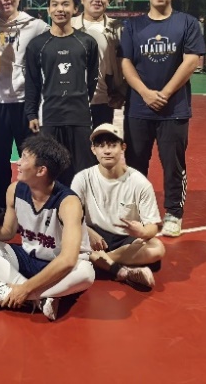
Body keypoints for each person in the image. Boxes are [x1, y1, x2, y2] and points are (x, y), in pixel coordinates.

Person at [0, 134, 94, 321]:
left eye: (25, 158)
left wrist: (25, 289)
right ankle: (40, 297)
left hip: (59, 267)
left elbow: (67, 260)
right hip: (28, 259)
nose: (18, 162)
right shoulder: (14, 190)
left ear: (41, 170)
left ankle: (12, 292)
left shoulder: (69, 203)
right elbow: (7, 232)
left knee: (86, 274)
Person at [120, 0, 205, 237]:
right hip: (138, 108)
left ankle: (173, 213)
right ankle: (138, 210)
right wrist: (145, 93)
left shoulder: (187, 23)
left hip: (174, 108)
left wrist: (165, 93)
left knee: (173, 164)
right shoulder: (132, 26)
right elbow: (126, 63)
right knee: (135, 163)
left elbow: (191, 61)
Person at [71, 123, 165, 289]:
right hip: (94, 237)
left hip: (125, 239)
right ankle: (120, 270)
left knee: (157, 249)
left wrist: (142, 232)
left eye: (112, 145)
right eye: (101, 146)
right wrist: (88, 231)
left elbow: (152, 226)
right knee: (70, 235)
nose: (107, 151)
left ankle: (96, 261)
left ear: (123, 148)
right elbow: (71, 217)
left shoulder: (139, 183)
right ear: (93, 150)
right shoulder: (82, 178)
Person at [0, 0, 49, 219]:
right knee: (0, 159)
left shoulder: (36, 26)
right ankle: (0, 205)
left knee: (31, 159)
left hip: (25, 104)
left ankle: (31, 204)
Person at [25, 0, 99, 187]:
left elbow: (92, 80)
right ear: (48, 9)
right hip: (50, 116)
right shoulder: (37, 45)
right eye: (55, 4)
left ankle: (81, 206)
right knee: (51, 171)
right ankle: (55, 206)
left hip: (80, 117)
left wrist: (80, 100)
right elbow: (32, 82)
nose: (60, 9)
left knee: (83, 171)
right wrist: (31, 113)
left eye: (66, 4)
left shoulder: (87, 42)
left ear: (75, 9)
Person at [72, 0, 126, 127]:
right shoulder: (68, 26)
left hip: (105, 101)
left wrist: (122, 91)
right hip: (72, 101)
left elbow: (130, 63)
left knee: (101, 141)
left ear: (108, 0)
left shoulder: (119, 29)